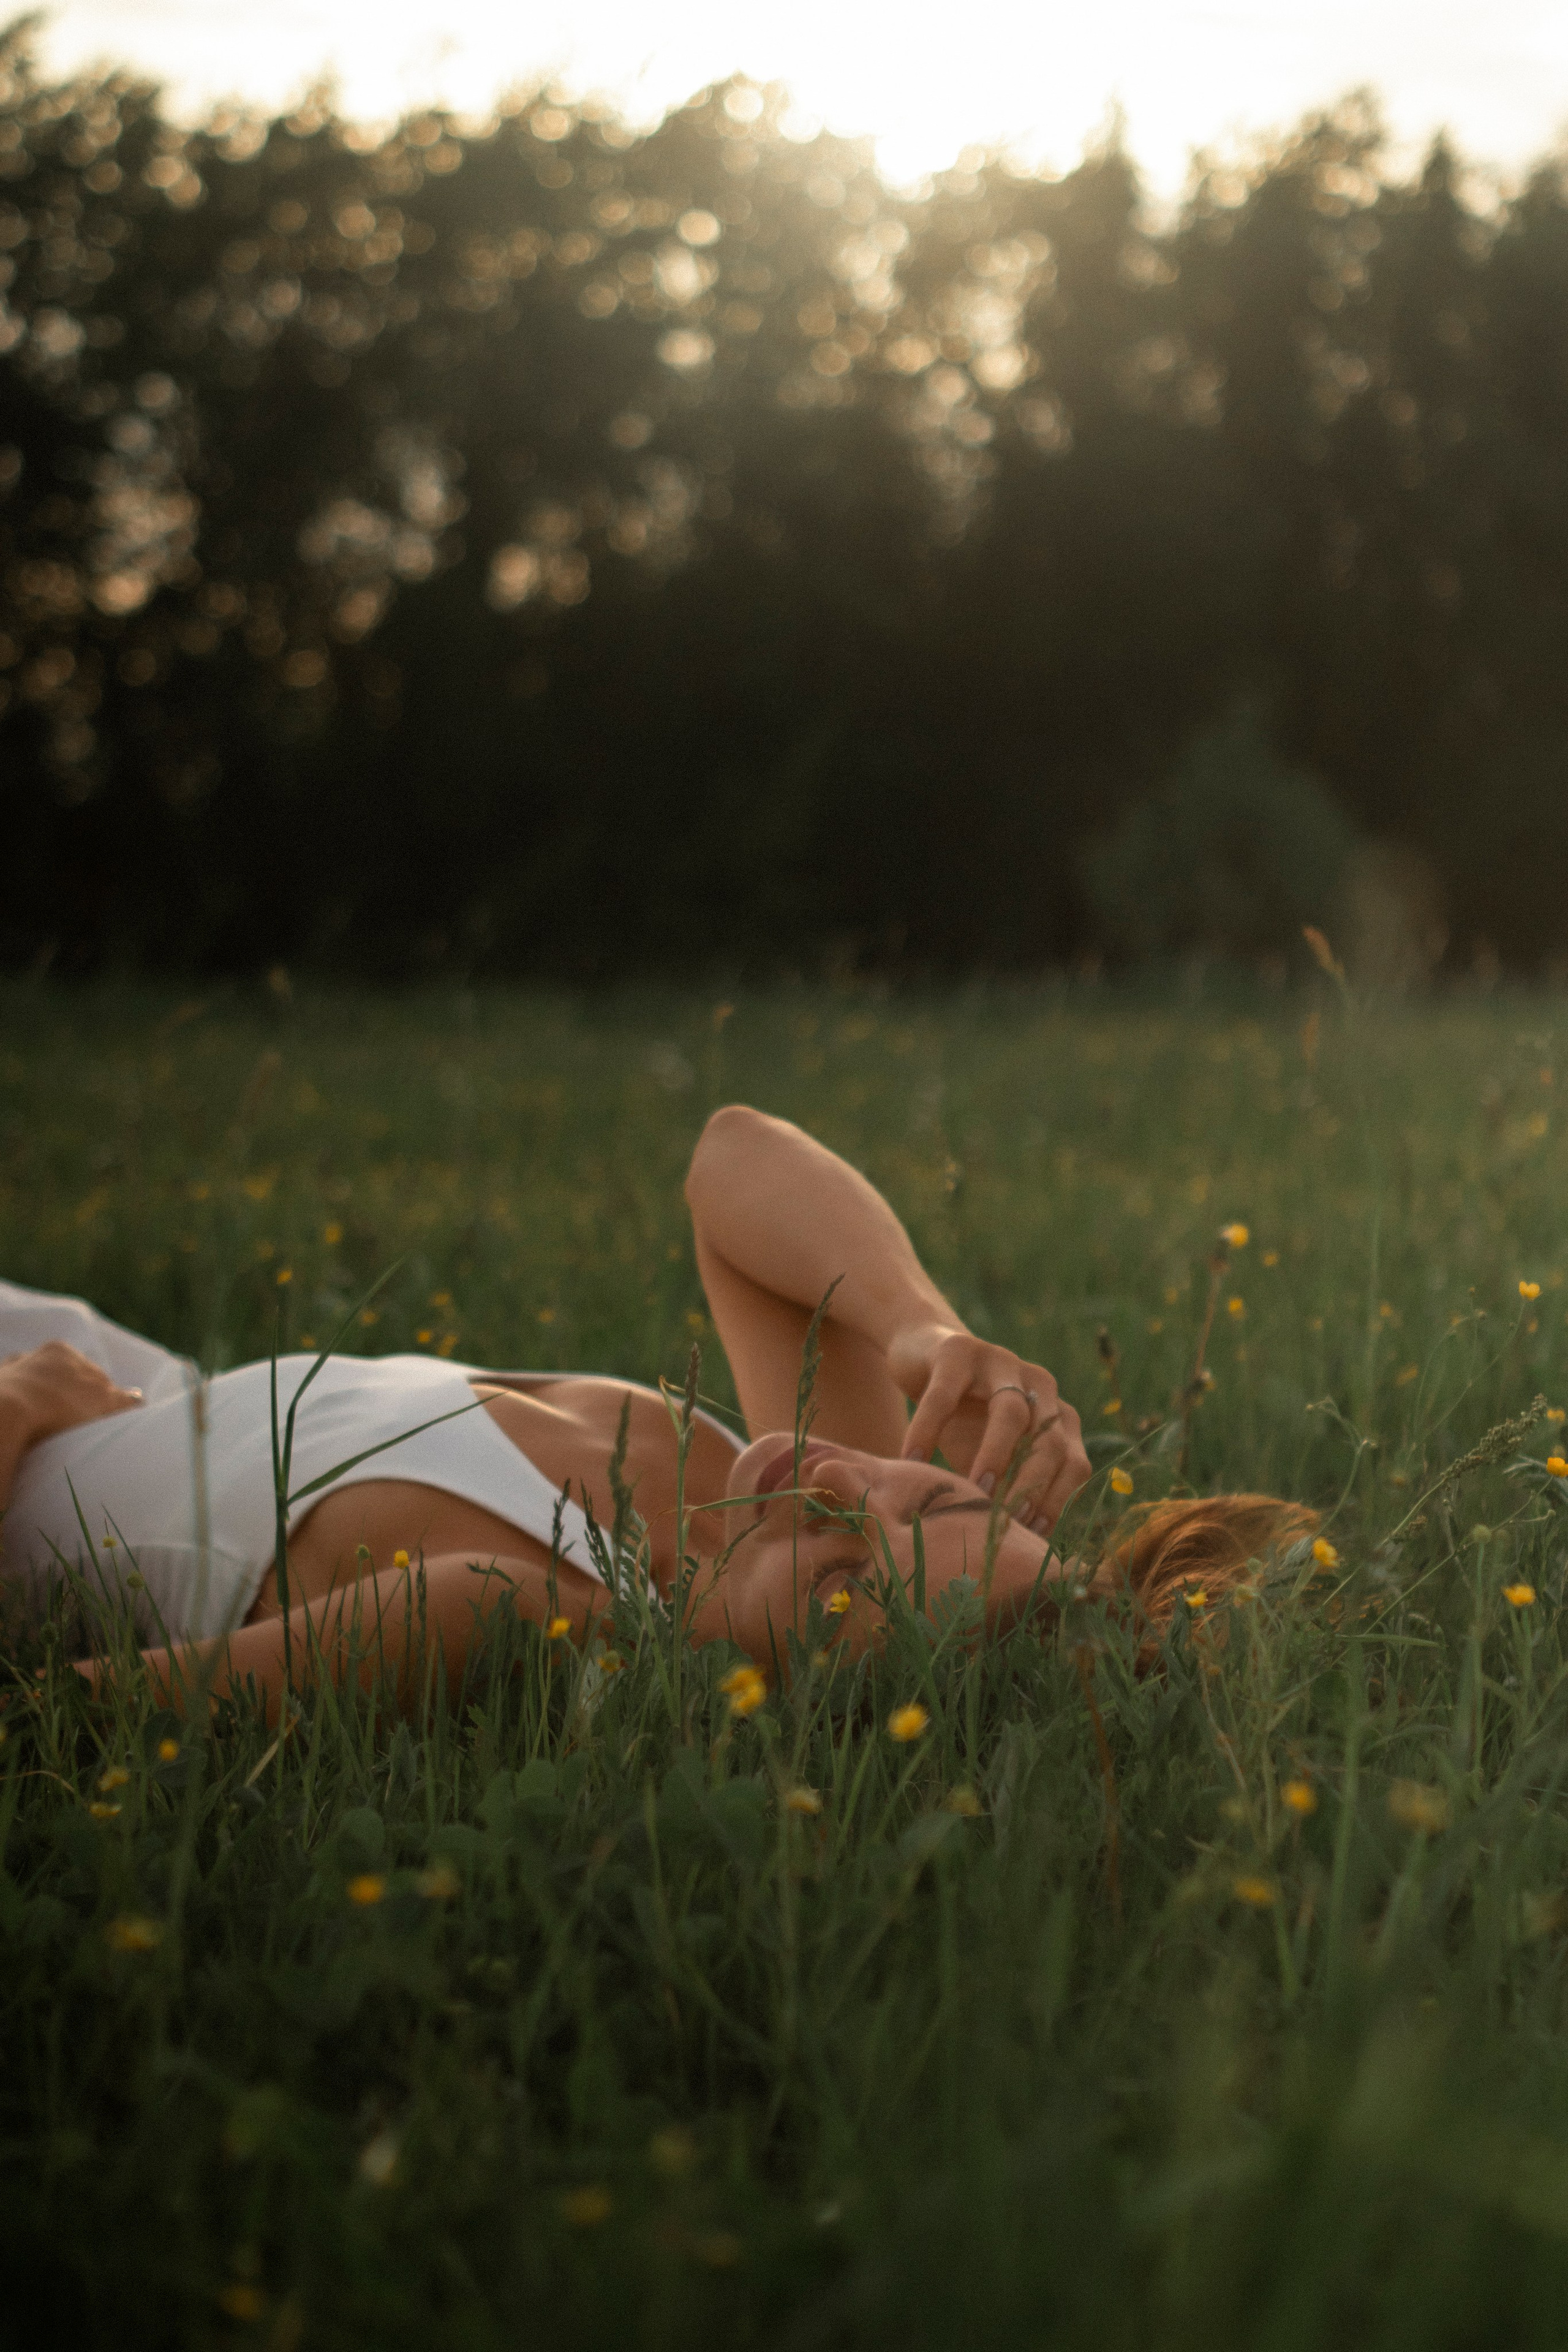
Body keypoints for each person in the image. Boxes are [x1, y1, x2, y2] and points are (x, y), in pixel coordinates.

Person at [1, 1106, 1313, 1721]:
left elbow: (48, 1720)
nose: (828, 1474)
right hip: (111, 1377)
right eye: (932, 1493)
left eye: (838, 1571)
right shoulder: (742, 1507)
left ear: (783, 1701)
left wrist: (15, 1416)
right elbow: (731, 1160)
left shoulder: (506, 1609)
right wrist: (917, 1326)